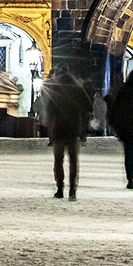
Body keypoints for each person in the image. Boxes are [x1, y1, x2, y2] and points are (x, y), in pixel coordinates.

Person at [35, 70, 93, 200]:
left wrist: (50, 128)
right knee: (73, 160)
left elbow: (50, 111)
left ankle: (60, 187)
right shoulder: (78, 90)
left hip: (59, 129)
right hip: (74, 129)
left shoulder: (56, 90)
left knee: (58, 160)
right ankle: (72, 190)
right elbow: (89, 106)